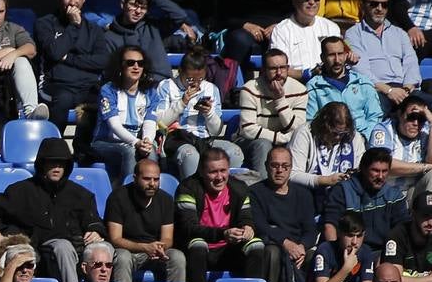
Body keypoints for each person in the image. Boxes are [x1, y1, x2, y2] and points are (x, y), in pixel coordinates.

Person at [0, 138, 107, 282]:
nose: (57, 167)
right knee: (62, 246)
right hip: (37, 250)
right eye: (52, 163)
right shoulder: (21, 191)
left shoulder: (81, 195)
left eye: (61, 163)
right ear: (42, 164)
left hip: (75, 251)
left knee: (107, 250)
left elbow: (93, 220)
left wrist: (95, 230)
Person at [176, 146, 265, 282]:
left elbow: (246, 217)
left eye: (223, 171)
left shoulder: (239, 188)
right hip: (201, 249)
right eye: (213, 172)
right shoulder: (187, 188)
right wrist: (223, 233)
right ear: (202, 172)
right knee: (197, 245)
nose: (219, 177)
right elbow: (188, 228)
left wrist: (248, 228)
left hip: (228, 249)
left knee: (256, 245)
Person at [156, 45, 246, 178]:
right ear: (180, 71)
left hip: (204, 139)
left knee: (234, 152)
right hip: (176, 138)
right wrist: (182, 103)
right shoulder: (166, 86)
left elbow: (216, 131)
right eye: (190, 79)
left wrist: (208, 113)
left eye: (200, 79)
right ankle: (191, 191)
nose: (195, 84)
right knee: (191, 155)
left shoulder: (210, 89)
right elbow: (160, 122)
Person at [34, 0, 111, 128]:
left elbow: (103, 61)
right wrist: (74, 25)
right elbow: (55, 53)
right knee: (63, 99)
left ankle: (84, 150)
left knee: (101, 101)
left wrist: (69, 58)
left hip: (88, 86)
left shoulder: (94, 29)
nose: (72, 2)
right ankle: (54, 145)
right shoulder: (45, 24)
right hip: (56, 85)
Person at [250, 144, 320, 282]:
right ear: (267, 166)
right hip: (274, 244)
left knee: (316, 257)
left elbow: (310, 229)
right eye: (275, 165)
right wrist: (286, 243)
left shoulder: (303, 194)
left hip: (299, 249)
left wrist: (302, 247)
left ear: (291, 168)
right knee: (272, 253)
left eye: (285, 166)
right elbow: (260, 225)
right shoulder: (255, 192)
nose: (279, 170)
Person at [107, 158, 187, 282]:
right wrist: (144, 247)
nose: (152, 184)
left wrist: (160, 248)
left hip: (155, 252)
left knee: (177, 257)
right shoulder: (118, 197)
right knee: (122, 257)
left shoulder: (166, 199)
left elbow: (167, 238)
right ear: (135, 178)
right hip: (129, 251)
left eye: (156, 179)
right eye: (147, 179)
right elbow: (115, 239)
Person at [90, 44, 162, 181]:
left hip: (137, 141)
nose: (136, 67)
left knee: (151, 151)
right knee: (130, 151)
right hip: (105, 142)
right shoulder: (108, 90)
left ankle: (151, 194)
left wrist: (147, 141)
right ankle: (126, 195)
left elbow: (150, 122)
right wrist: (136, 142)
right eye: (130, 63)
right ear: (121, 66)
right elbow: (114, 126)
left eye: (140, 63)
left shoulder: (150, 92)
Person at [346, 0, 422, 114]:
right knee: (376, 111)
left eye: (384, 5)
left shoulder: (400, 33)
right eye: (374, 4)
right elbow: (361, 71)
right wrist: (389, 91)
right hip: (376, 90)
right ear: (362, 6)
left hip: (405, 89)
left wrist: (406, 90)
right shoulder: (353, 34)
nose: (379, 9)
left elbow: (411, 63)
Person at [322, 148, 407, 257]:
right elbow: (330, 226)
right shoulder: (343, 191)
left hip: (382, 254)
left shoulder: (394, 196)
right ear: (363, 169)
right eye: (375, 170)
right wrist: (334, 256)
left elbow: (403, 229)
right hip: (350, 252)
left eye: (384, 171)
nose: (380, 176)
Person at [236, 47, 309, 170]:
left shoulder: (300, 90)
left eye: (283, 68)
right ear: (263, 70)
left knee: (300, 144)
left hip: (286, 141)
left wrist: (280, 100)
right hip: (251, 141)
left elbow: (297, 128)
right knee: (264, 144)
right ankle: (263, 188)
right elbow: (247, 129)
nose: (279, 73)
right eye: (273, 68)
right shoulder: (250, 89)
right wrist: (280, 138)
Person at [104, 0, 193, 84]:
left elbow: (180, 15)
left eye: (143, 8)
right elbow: (109, 72)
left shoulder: (154, 26)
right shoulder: (109, 36)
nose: (138, 11)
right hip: (131, 87)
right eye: (133, 5)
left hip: (161, 83)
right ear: (123, 4)